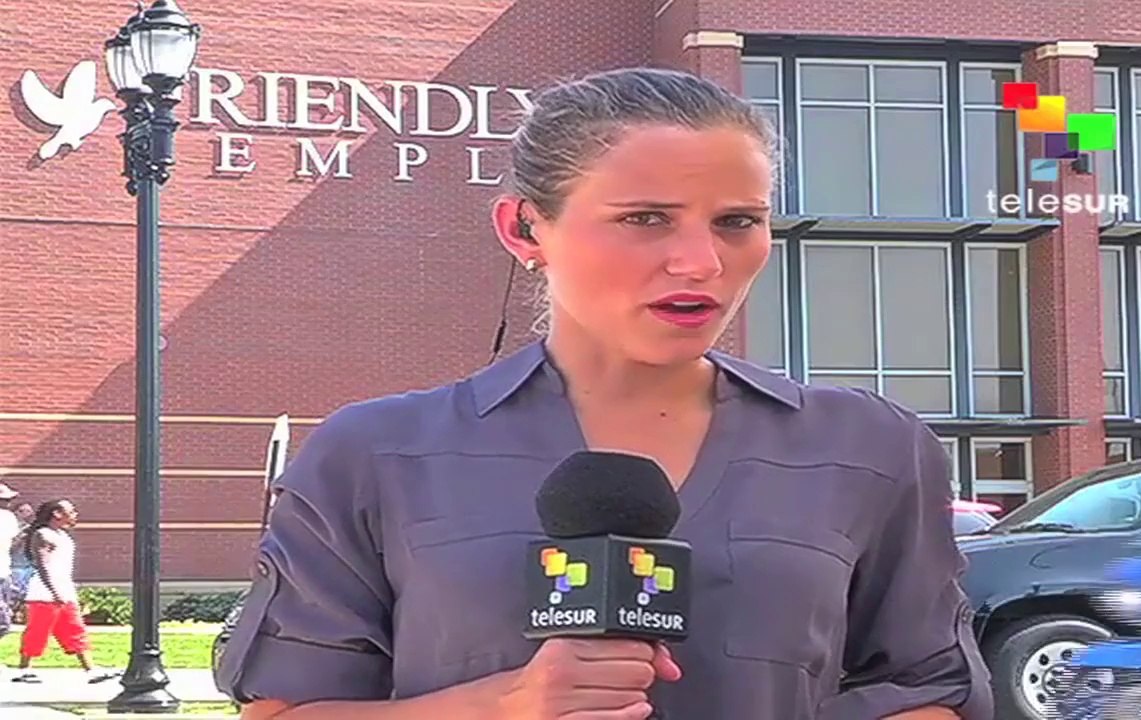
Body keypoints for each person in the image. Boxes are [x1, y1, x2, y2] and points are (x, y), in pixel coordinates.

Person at [215, 67, 993, 720]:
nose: (699, 262)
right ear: (525, 230)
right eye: (645, 219)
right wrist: (501, 704)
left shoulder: (867, 447)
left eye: (736, 222)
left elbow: (926, 691)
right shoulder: (375, 454)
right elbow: (286, 708)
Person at [10, 499, 114, 684]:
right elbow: (42, 565)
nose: (75, 515)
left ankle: (91, 670)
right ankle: (23, 669)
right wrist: (54, 591)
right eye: (71, 511)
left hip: (64, 589)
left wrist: (65, 590)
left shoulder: (63, 536)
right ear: (57, 514)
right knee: (37, 631)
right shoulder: (43, 535)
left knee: (75, 629)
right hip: (44, 594)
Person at [0, 484, 19, 639]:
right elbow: (13, 545)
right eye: (4, 500)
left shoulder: (8, 517)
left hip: (4, 572)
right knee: (2, 621)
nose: (8, 503)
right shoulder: (7, 518)